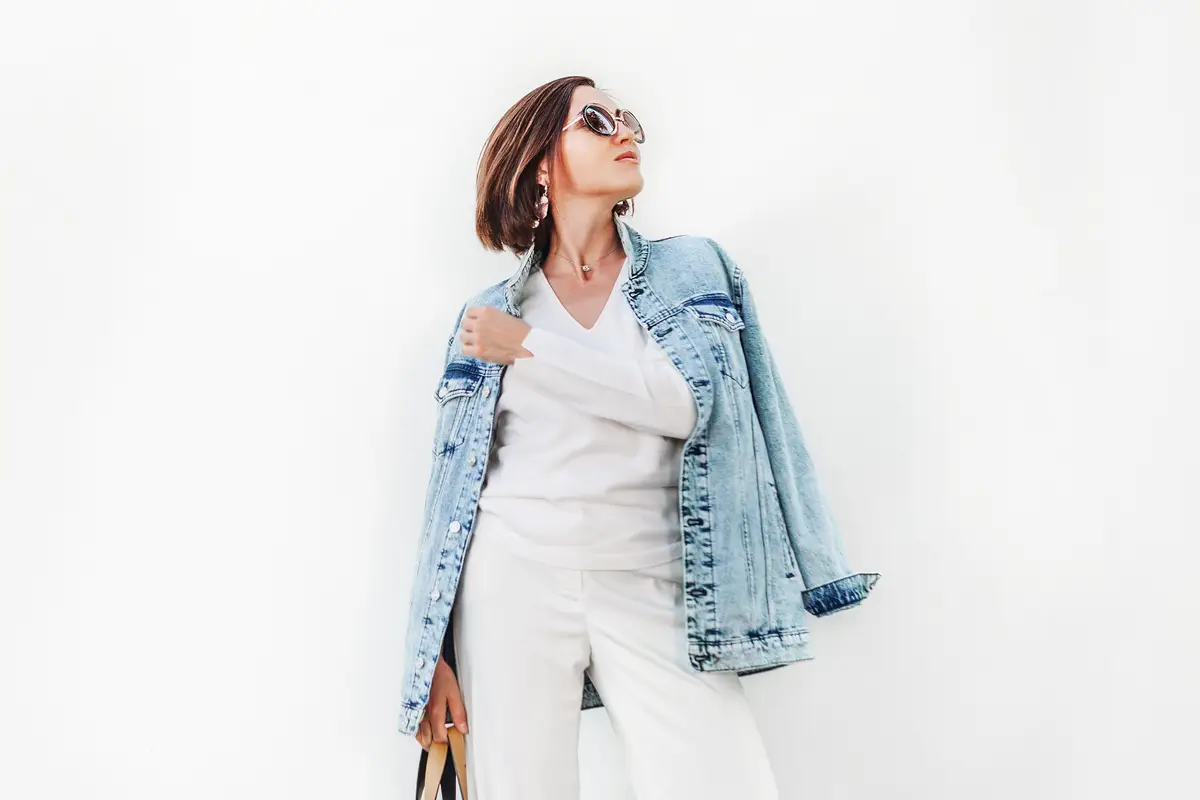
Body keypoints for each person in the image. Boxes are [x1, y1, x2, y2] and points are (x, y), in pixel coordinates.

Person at [400, 75, 879, 800]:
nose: (623, 130)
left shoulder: (692, 271)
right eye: (595, 120)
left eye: (627, 119)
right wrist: (431, 652)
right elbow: (451, 493)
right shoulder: (488, 313)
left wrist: (528, 348)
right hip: (513, 581)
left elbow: (689, 404)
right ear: (539, 162)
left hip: (656, 579)